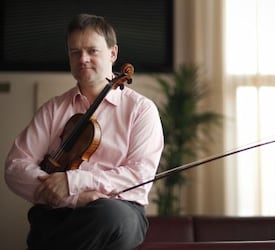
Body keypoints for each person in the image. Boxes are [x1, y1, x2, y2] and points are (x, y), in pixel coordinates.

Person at [4, 13, 164, 250]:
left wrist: (73, 181)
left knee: (108, 215)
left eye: (92, 51)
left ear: (113, 53)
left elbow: (138, 176)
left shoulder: (141, 110)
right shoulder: (53, 109)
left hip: (119, 212)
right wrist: (75, 197)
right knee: (44, 221)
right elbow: (15, 167)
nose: (83, 59)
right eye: (75, 52)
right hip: (59, 214)